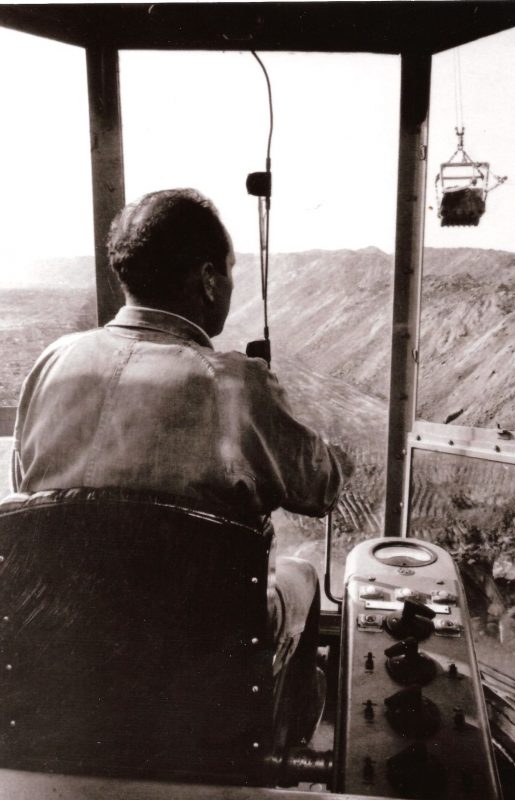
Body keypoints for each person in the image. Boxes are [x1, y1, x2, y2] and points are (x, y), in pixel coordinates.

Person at [10, 188, 345, 733]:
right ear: (209, 279)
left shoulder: (52, 362)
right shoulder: (235, 383)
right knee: (301, 574)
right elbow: (319, 488)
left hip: (70, 658)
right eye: (231, 273)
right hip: (201, 669)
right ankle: (286, 737)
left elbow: (30, 488)